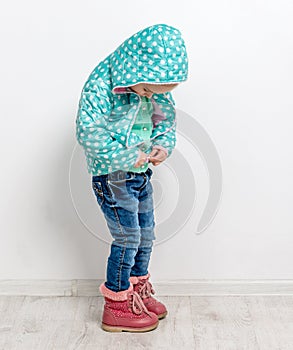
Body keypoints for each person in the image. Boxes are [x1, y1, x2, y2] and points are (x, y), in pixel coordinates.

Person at [75, 23, 188, 332]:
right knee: (127, 237)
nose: (153, 96)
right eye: (149, 91)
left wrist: (164, 145)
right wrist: (126, 156)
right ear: (133, 72)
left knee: (146, 234)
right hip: (111, 176)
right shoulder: (101, 84)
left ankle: (137, 290)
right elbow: (88, 132)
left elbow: (164, 116)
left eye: (158, 92)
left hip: (139, 174)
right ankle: (117, 304)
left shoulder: (152, 86)